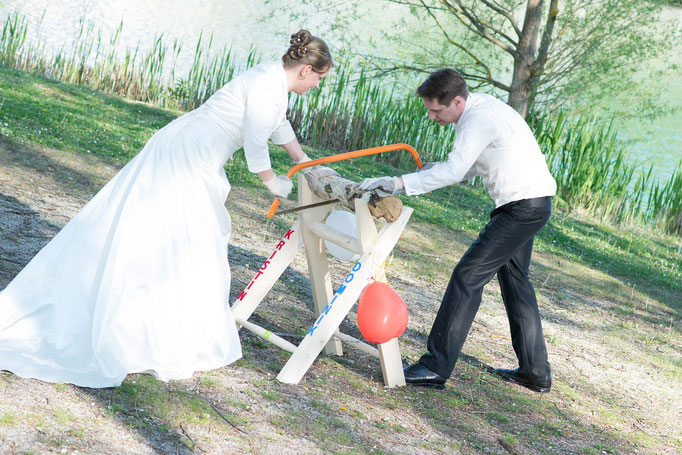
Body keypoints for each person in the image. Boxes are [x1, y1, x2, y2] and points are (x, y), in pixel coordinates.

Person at [0, 29, 331, 388]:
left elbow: (277, 124)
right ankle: (143, 326)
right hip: (189, 156)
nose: (317, 86)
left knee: (177, 233)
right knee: (177, 235)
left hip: (188, 144)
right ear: (305, 70)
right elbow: (255, 143)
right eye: (319, 78)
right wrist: (274, 183)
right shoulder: (269, 88)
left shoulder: (270, 77)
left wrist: (304, 161)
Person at [357, 68, 556, 393]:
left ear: (458, 101)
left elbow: (455, 169)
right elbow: (469, 166)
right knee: (515, 282)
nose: (433, 116)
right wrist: (433, 171)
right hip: (532, 203)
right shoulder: (482, 110)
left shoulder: (478, 119)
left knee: (467, 276)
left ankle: (434, 367)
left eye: (437, 110)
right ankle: (535, 373)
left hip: (521, 208)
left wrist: (398, 183)